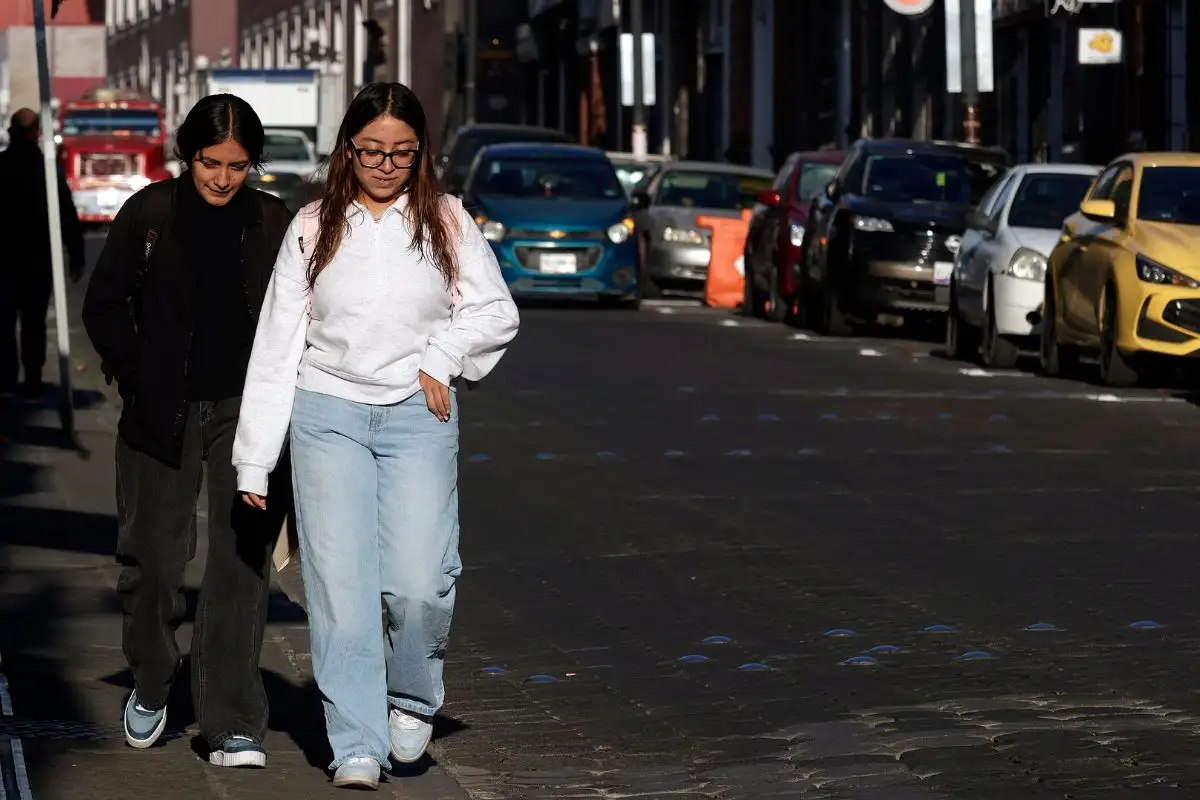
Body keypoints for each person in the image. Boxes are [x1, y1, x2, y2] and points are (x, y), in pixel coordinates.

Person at [231, 82, 519, 790]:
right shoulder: (311, 227)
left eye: (402, 152)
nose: (386, 165)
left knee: (420, 584)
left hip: (419, 416)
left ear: (421, 154)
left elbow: (496, 313)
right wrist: (254, 460)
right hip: (326, 412)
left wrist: (441, 358)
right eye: (371, 151)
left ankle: (413, 696)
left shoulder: (446, 221)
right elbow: (276, 346)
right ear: (347, 150)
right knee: (340, 586)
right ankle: (354, 739)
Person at [82, 95, 294, 768]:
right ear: (188, 155)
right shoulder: (149, 213)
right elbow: (104, 304)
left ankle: (230, 718)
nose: (224, 178)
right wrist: (136, 375)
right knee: (152, 562)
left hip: (247, 413)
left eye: (238, 165)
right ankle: (150, 681)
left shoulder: (272, 221)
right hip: (161, 412)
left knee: (242, 565)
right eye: (211, 163)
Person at [0, 108, 85, 401]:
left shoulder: (3, 165)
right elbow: (67, 213)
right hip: (37, 259)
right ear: (37, 132)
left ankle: (7, 379)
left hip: (6, 260)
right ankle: (33, 380)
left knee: (5, 322)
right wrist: (76, 255)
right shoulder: (46, 169)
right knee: (33, 323)